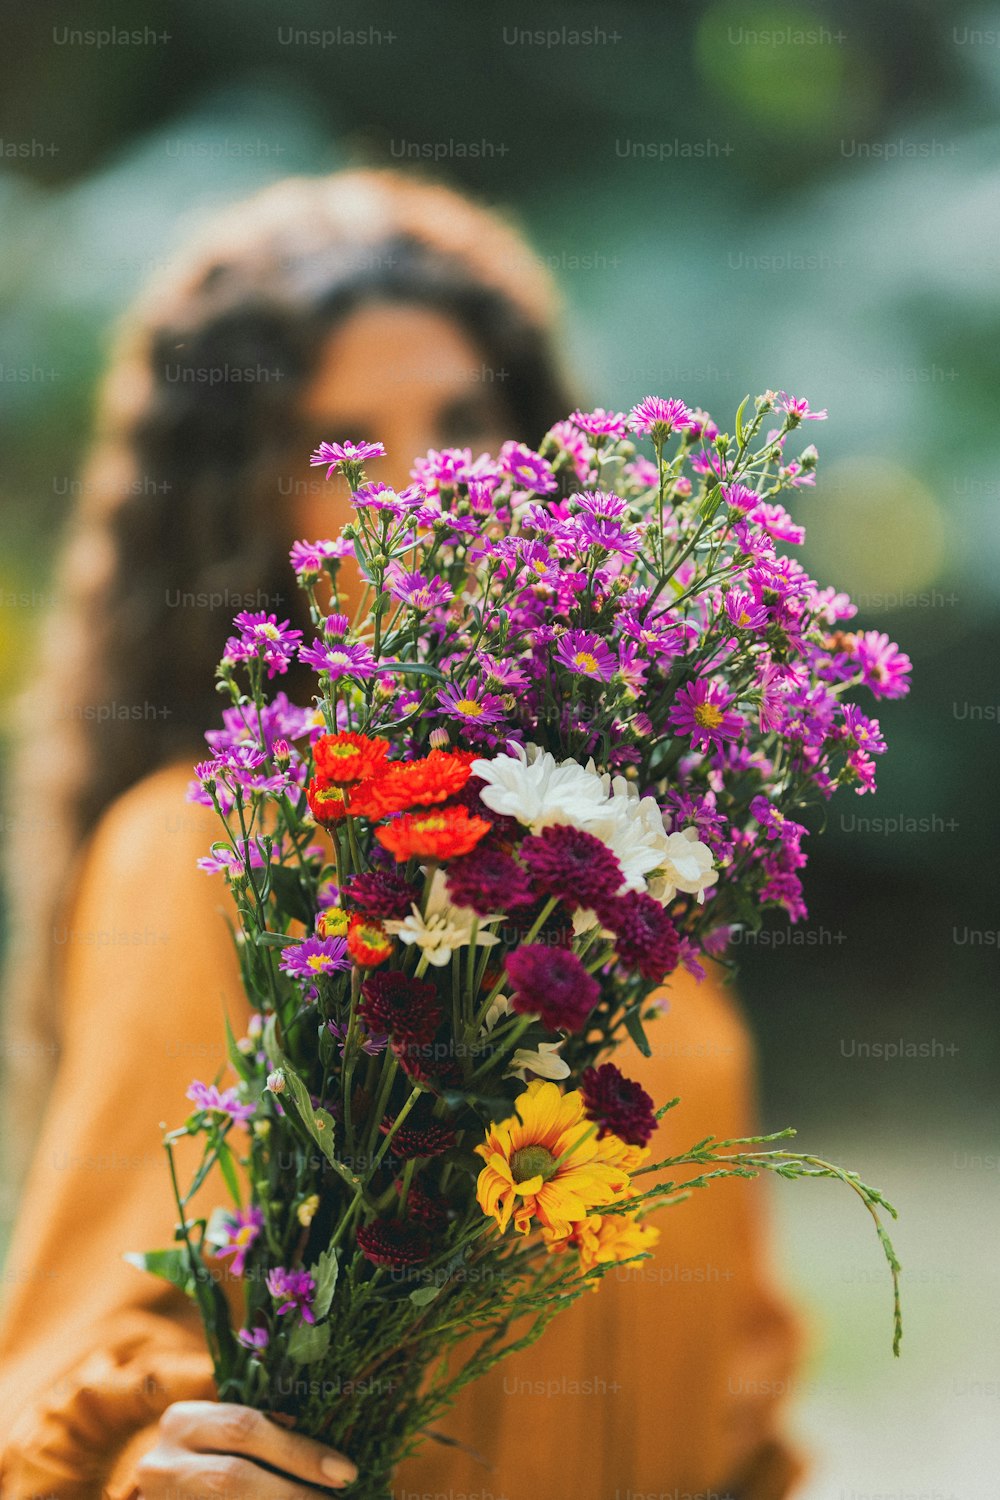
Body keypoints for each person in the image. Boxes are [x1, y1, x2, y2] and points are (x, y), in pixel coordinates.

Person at [0, 170, 806, 1499]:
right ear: (252, 514)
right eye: (344, 446)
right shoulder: (221, 845)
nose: (432, 487)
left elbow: (736, 1376)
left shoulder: (619, 843)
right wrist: (172, 1462)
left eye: (463, 420)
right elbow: (105, 1331)